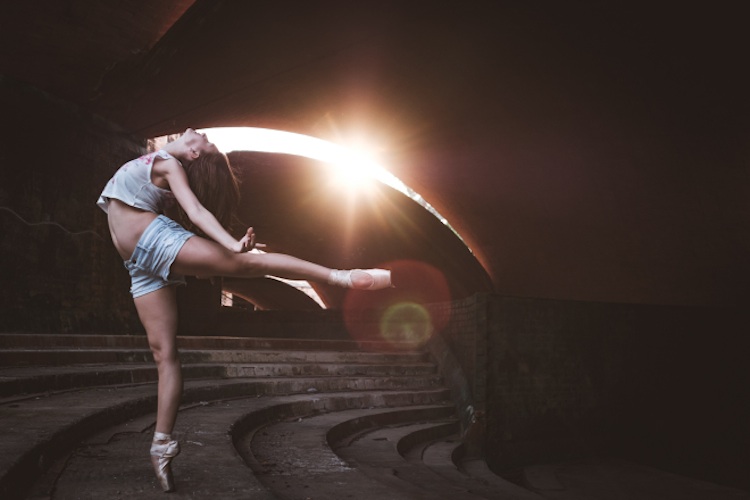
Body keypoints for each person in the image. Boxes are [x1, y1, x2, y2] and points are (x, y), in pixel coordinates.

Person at [97, 128, 391, 492]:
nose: (201, 133)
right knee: (164, 353)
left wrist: (230, 243)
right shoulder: (157, 164)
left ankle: (341, 276)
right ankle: (162, 445)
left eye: (206, 142)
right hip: (139, 264)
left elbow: (197, 210)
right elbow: (184, 206)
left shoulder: (169, 162)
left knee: (248, 264)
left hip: (154, 240)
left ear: (192, 154)